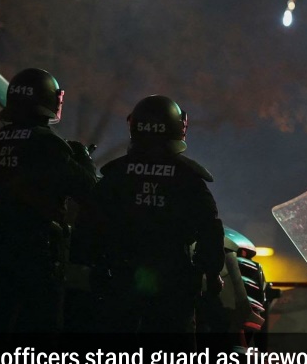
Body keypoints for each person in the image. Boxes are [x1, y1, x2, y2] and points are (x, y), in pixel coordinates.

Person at [0, 68, 97, 334]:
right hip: (34, 265)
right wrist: (83, 158)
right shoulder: (49, 144)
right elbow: (87, 189)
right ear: (50, 101)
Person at [93, 95, 224, 335]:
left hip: (120, 280)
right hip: (174, 284)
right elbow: (210, 228)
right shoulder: (188, 177)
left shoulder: (115, 174)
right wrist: (211, 274)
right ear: (177, 128)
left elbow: (90, 225)